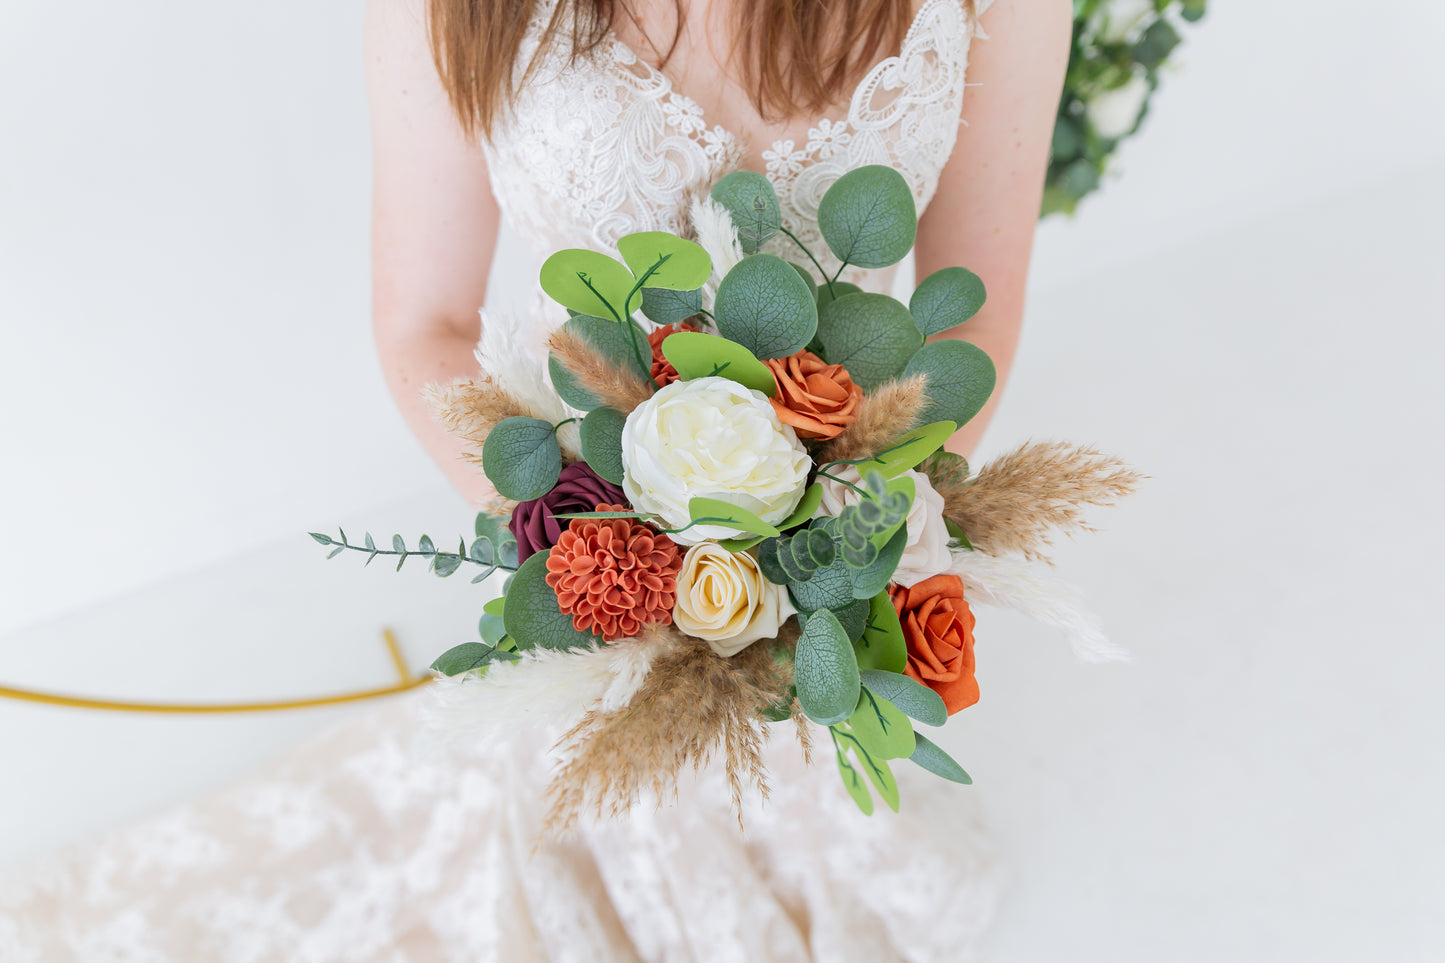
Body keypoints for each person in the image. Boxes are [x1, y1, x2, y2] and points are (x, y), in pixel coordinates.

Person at [0, 0, 1068, 958]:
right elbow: (426, 323)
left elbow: (972, 310)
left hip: (833, 533)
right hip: (594, 545)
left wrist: (845, 538)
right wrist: (599, 560)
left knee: (808, 753)